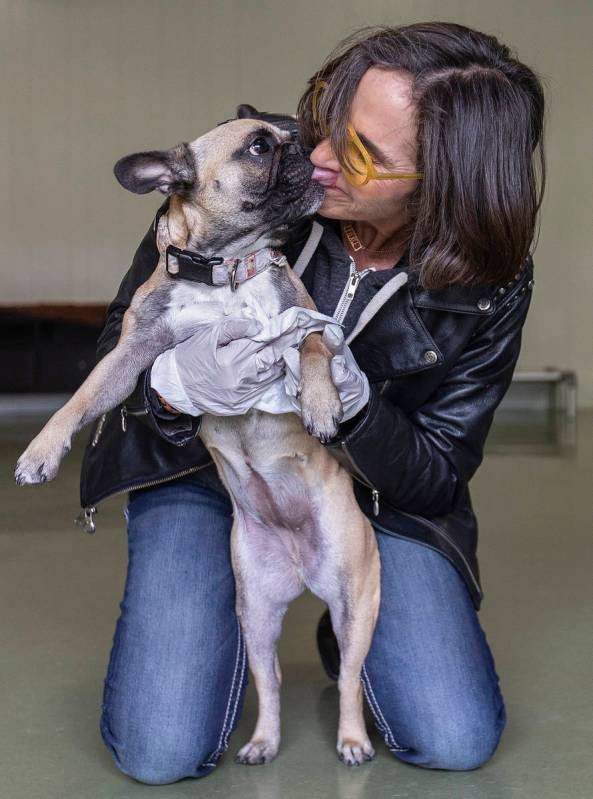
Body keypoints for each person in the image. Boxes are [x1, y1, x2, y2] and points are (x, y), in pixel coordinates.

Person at [82, 22, 545, 784]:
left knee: (454, 737)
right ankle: (225, 626)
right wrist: (174, 390)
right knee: (161, 748)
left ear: (444, 183)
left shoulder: (489, 276)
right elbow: (117, 350)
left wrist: (355, 409)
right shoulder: (246, 169)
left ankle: (347, 621)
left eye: (363, 154)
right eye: (329, 120)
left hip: (363, 496)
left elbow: (435, 473)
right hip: (209, 471)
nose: (320, 157)